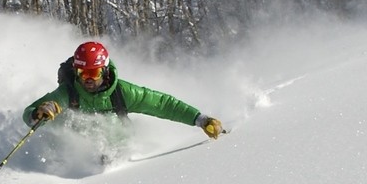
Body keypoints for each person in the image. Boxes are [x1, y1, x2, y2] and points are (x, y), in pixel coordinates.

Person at [22, 41, 224, 139]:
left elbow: (162, 104)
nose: (88, 79)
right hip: (81, 154)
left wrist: (200, 120)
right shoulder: (68, 92)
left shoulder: (122, 93)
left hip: (121, 151)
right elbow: (29, 113)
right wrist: (38, 113)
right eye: (83, 73)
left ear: (104, 71)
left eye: (94, 73)